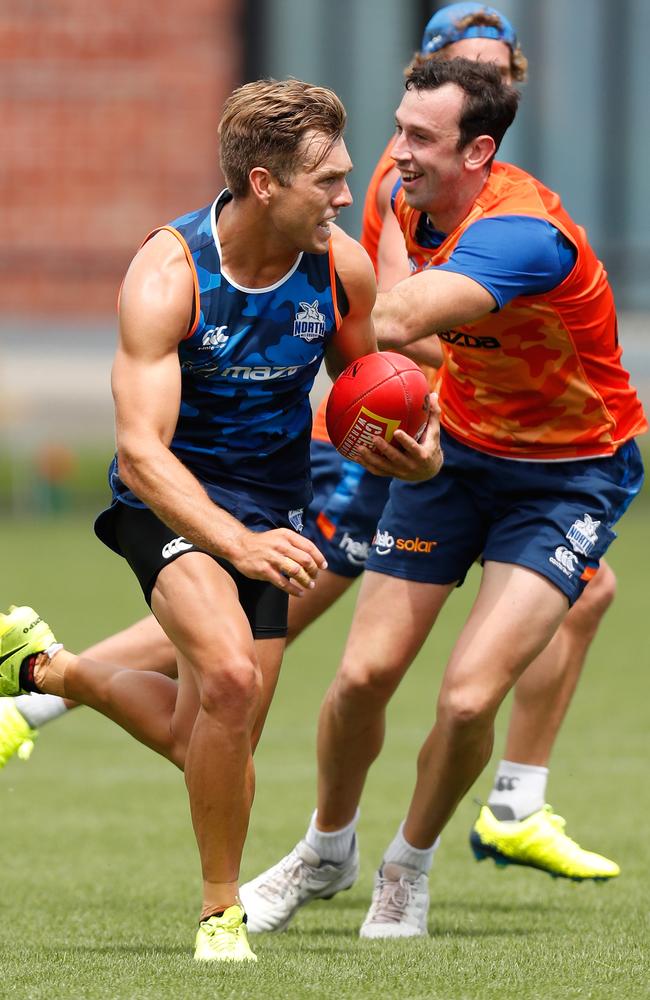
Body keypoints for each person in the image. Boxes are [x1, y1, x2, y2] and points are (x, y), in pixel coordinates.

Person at [0, 1, 620, 883]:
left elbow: (376, 353)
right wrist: (459, 355)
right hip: (282, 455)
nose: (380, 161)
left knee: (231, 713)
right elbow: (388, 326)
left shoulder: (478, 206)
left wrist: (419, 417)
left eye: (499, 70)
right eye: (461, 65)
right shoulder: (376, 196)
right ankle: (301, 857)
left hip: (363, 448)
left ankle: (43, 678)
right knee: (249, 671)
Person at [0, 76, 441, 962]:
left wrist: (412, 453)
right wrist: (231, 540)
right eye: (329, 181)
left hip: (271, 509)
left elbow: (364, 403)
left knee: (202, 735)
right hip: (166, 502)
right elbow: (144, 452)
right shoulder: (169, 275)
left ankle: (46, 669)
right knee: (231, 686)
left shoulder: (336, 269)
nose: (347, 197)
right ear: (266, 183)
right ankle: (219, 913)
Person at [238, 57, 647, 940]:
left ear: (481, 150)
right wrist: (413, 434)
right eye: (397, 129)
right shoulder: (404, 194)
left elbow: (389, 319)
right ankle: (326, 850)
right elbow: (408, 354)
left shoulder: (522, 233)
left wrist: (263, 259)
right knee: (361, 676)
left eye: (420, 138)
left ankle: (405, 869)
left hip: (569, 474)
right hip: (455, 454)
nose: (397, 153)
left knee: (466, 700)